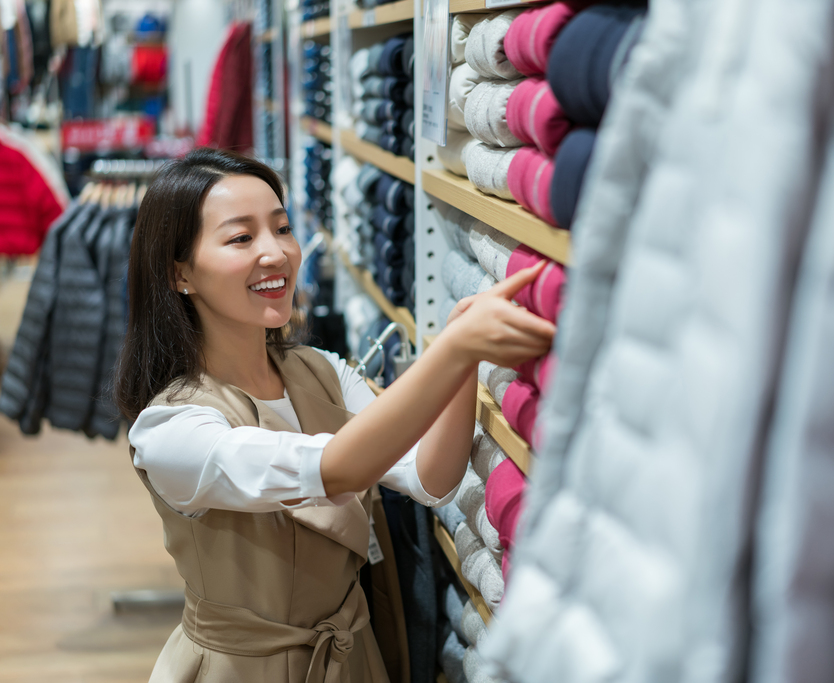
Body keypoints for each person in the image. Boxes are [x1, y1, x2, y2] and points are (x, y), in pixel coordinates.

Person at [113, 148, 555, 682]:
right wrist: (454, 349)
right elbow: (336, 469)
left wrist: (464, 355)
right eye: (241, 238)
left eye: (282, 228)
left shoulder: (320, 371)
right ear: (180, 273)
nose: (275, 253)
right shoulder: (172, 430)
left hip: (352, 660)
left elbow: (430, 477)